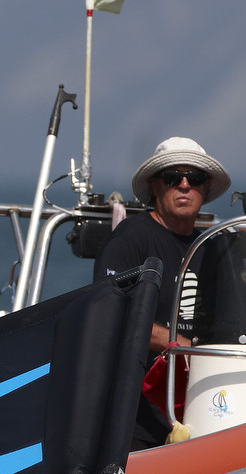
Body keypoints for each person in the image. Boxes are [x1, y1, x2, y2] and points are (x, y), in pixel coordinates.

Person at [94, 137, 232, 357]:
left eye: (195, 178)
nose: (184, 185)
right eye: (172, 178)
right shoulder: (129, 239)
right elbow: (109, 313)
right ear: (154, 185)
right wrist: (182, 346)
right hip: (140, 384)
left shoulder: (211, 250)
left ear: (205, 188)